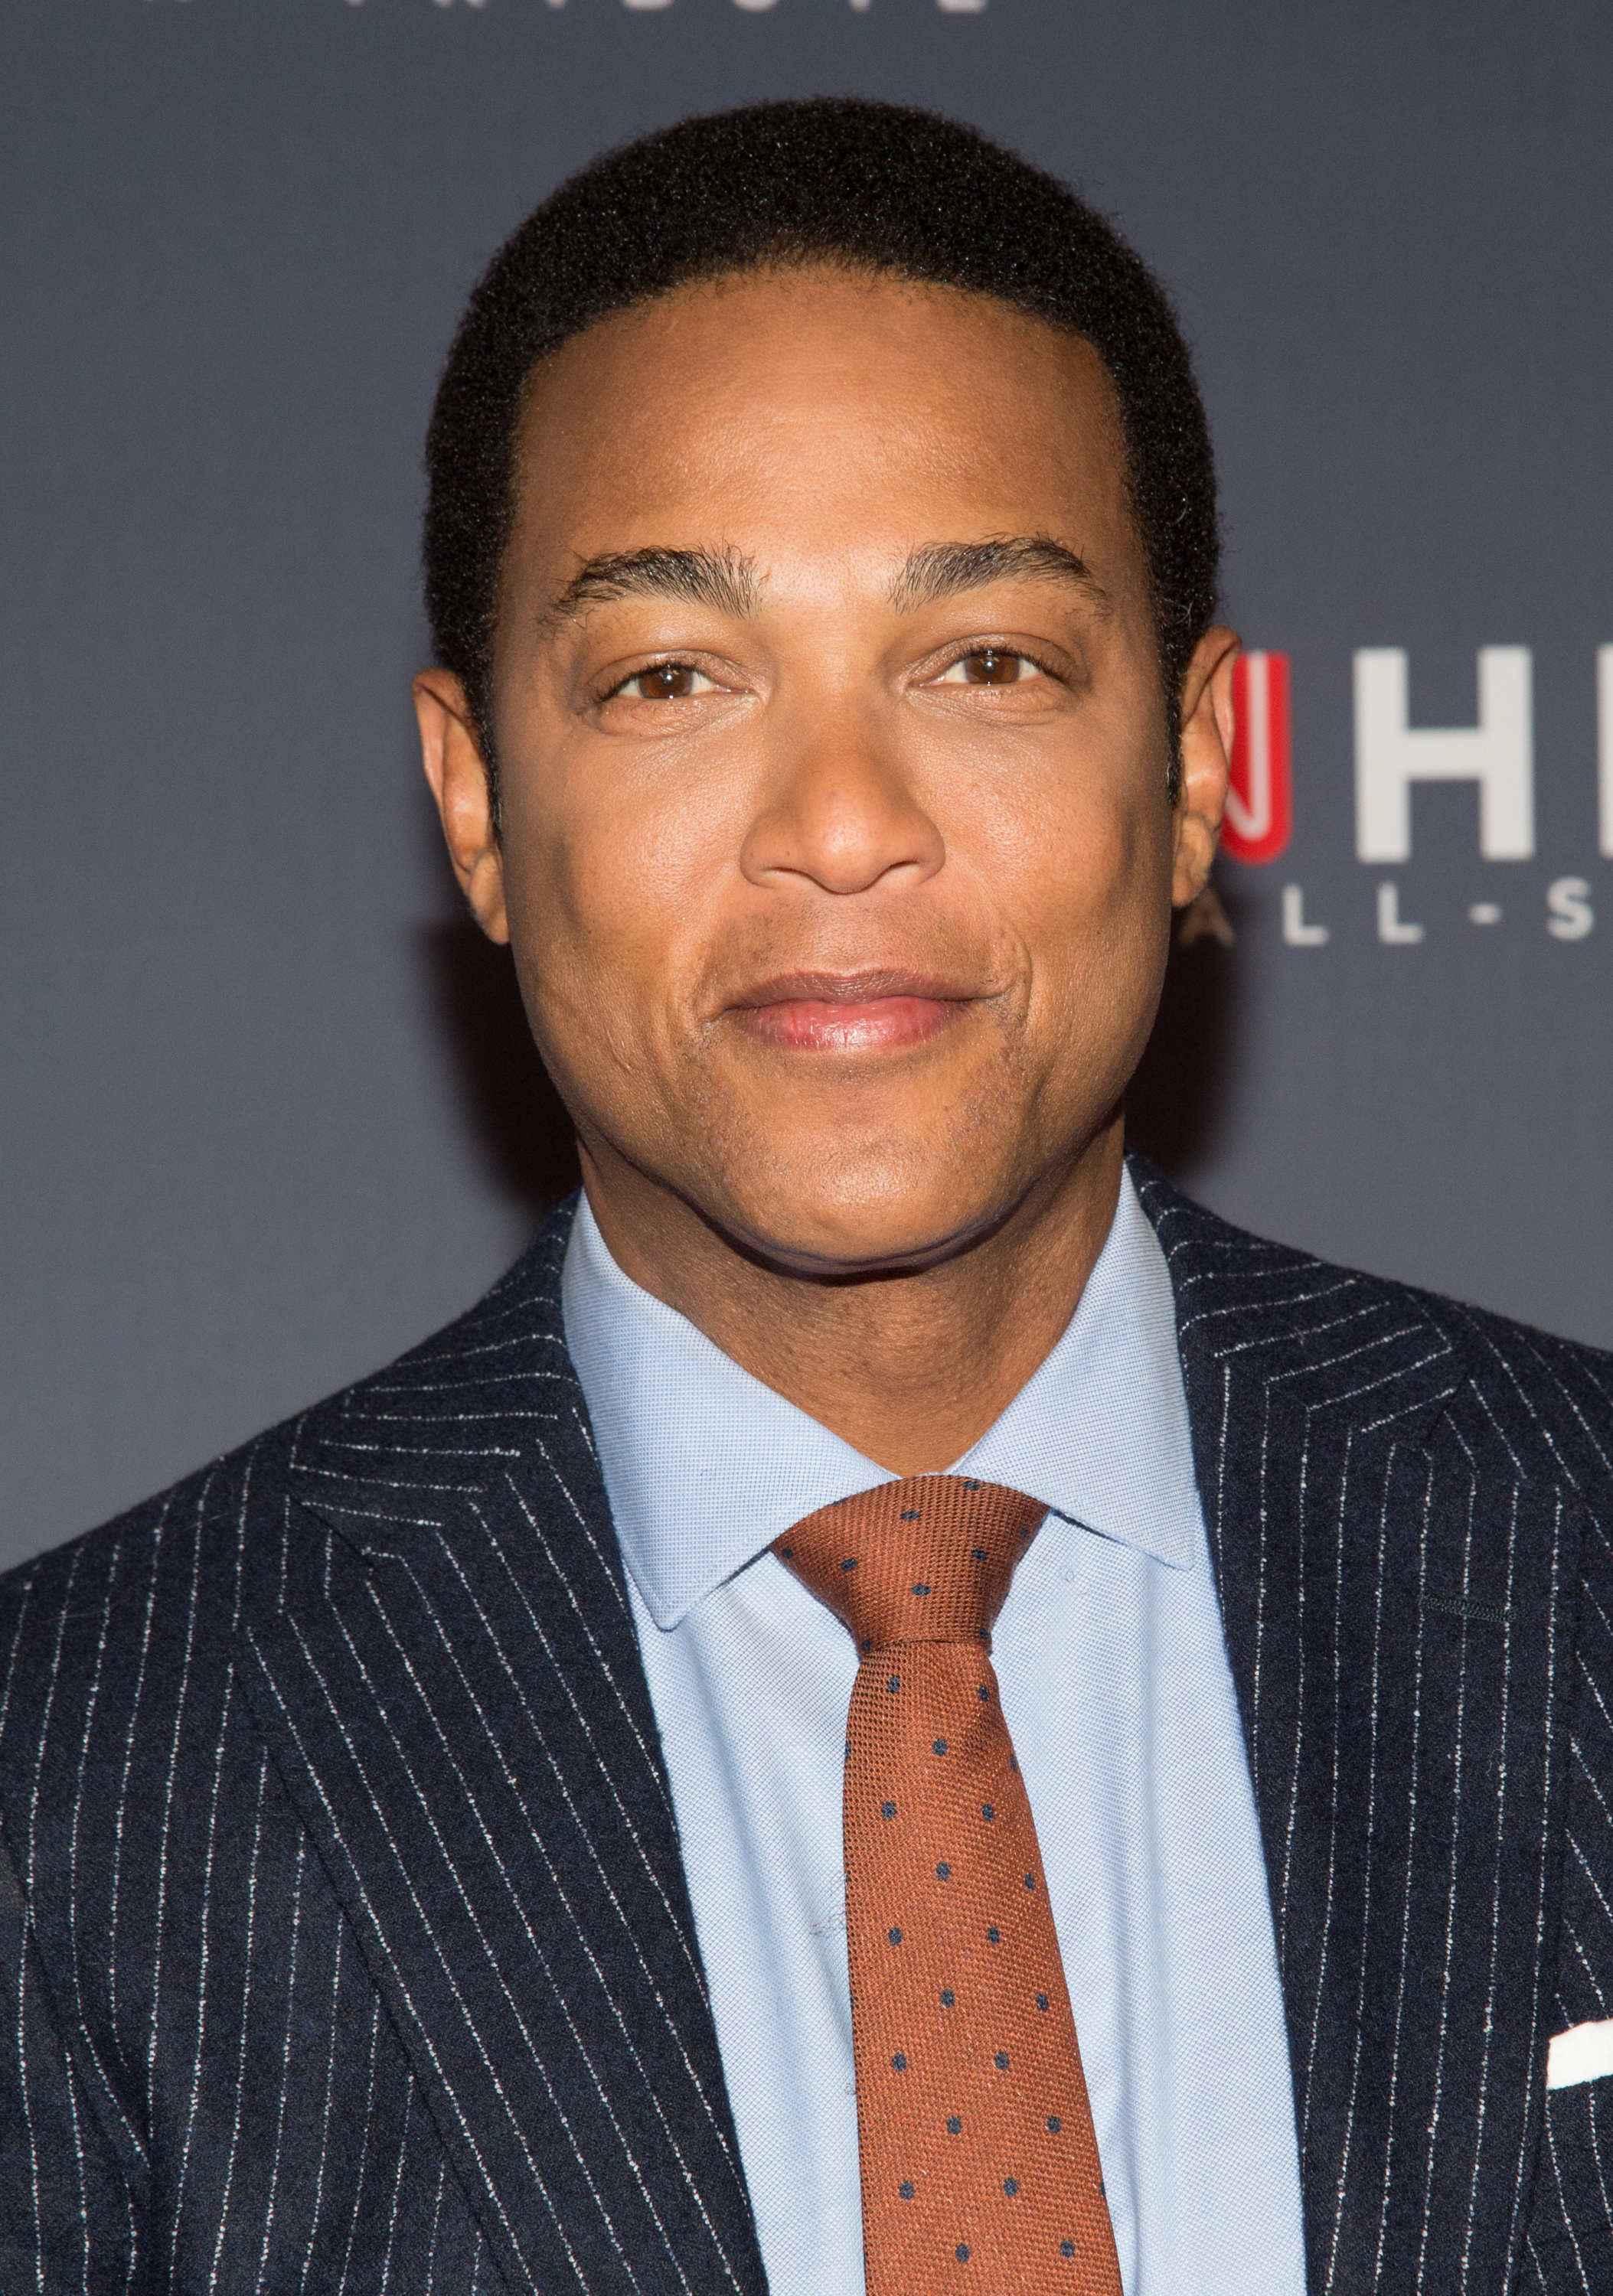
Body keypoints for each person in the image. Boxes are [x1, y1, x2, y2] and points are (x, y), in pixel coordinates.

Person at [1, 96, 1608, 2296]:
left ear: (1195, 765)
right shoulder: (75, 1778)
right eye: (672, 678)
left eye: (985, 664)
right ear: (475, 802)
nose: (842, 824)